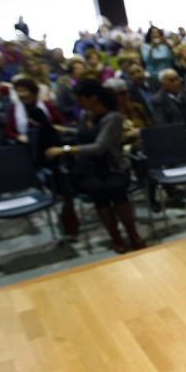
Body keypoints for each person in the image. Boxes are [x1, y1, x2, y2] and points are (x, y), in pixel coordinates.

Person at [45, 79, 144, 253]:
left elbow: (99, 147)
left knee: (117, 192)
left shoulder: (113, 118)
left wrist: (65, 149)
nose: (78, 102)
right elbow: (84, 134)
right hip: (88, 168)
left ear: (93, 98)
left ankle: (132, 233)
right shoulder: (85, 115)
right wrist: (63, 130)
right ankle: (115, 236)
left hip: (112, 166)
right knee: (100, 196)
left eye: (81, 98)